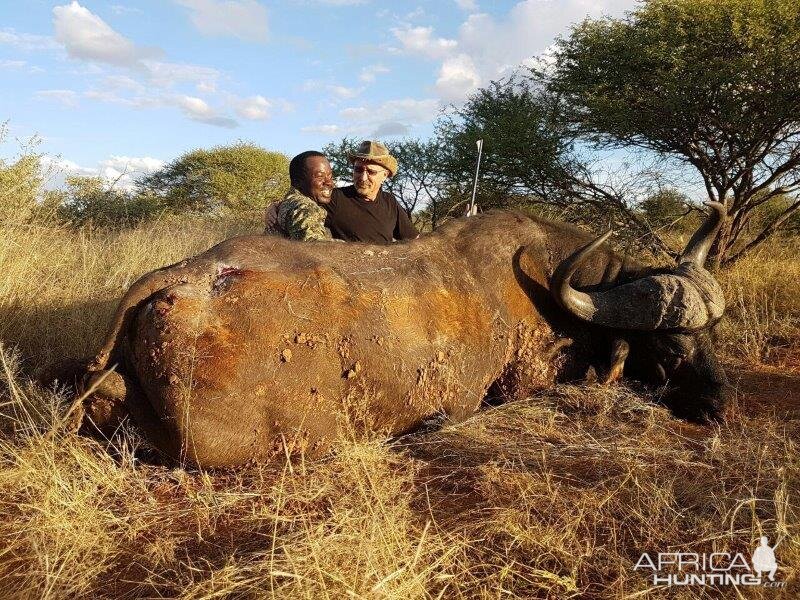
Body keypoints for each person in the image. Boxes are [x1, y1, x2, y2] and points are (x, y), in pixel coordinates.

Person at [324, 140, 418, 244]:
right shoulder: (335, 198)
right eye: (358, 170)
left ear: (385, 175)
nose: (363, 178)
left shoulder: (389, 202)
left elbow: (413, 240)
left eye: (371, 172)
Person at [265, 150, 334, 241]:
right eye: (320, 176)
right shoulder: (305, 207)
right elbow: (315, 247)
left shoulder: (290, 202)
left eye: (330, 176)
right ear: (298, 182)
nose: (330, 183)